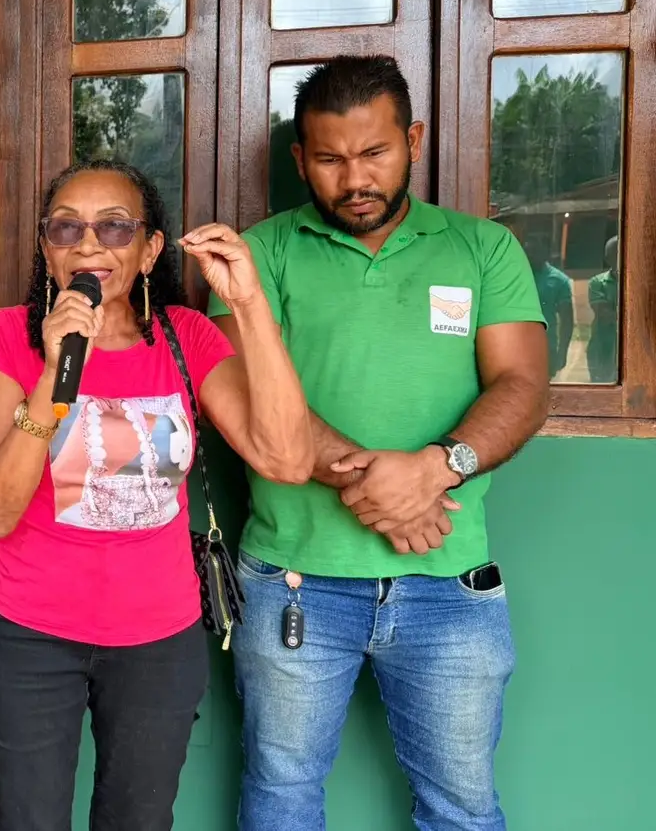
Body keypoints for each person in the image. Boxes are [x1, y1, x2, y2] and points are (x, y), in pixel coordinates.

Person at [208, 54, 549, 831]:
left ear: (413, 141)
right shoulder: (256, 256)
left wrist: (435, 467)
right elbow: (254, 400)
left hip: (449, 584)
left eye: (375, 152)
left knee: (463, 810)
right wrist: (390, 488)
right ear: (301, 159)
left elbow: (523, 386)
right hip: (293, 581)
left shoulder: (482, 248)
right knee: (281, 797)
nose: (354, 177)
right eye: (330, 158)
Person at [0, 158, 314, 831]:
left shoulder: (187, 337)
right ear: (46, 248)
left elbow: (288, 458)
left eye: (115, 227)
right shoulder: (6, 335)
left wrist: (248, 304)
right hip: (30, 635)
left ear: (150, 249)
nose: (88, 244)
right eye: (66, 227)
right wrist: (55, 373)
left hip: (158, 641)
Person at [516, 223, 574, 378]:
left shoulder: (559, 281)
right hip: (515, 348)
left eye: (535, 251)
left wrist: (562, 352)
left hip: (545, 349)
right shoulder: (514, 277)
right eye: (527, 251)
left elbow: (567, 320)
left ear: (546, 253)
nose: (530, 255)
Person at [586, 235, 619, 383]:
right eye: (615, 254)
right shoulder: (597, 282)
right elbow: (603, 314)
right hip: (602, 347)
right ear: (607, 258)